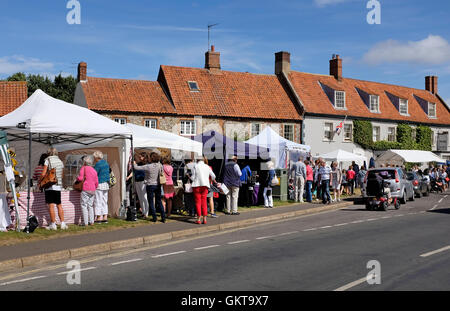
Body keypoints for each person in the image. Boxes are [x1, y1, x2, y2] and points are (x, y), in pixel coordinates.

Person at [133, 152, 166, 223]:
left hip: (150, 185)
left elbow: (137, 168)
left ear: (152, 158)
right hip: (158, 184)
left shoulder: (148, 166)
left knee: (151, 201)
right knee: (159, 201)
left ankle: (154, 217)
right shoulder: (160, 165)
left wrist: (134, 163)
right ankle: (163, 217)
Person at [41, 148, 67, 230]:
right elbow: (62, 176)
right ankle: (62, 223)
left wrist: (40, 180)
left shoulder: (47, 160)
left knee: (51, 205)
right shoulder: (60, 161)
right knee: (59, 205)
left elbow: (43, 173)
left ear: (49, 153)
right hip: (58, 186)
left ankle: (53, 224)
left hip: (50, 186)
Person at [191, 156, 216, 224]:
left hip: (196, 185)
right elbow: (213, 176)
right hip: (205, 186)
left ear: (197, 160)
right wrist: (209, 180)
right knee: (204, 201)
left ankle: (199, 218)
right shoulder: (207, 167)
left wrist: (191, 178)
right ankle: (204, 219)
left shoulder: (195, 166)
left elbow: (193, 177)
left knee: (198, 202)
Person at [76, 155, 98, 226]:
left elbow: (80, 178)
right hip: (93, 189)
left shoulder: (84, 168)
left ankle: (85, 222)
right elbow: (96, 182)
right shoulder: (94, 170)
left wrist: (77, 178)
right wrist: (95, 187)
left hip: (86, 188)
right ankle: (92, 222)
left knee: (84, 205)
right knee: (90, 206)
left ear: (85, 162)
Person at [93, 151, 110, 224]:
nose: (94, 159)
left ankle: (99, 217)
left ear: (97, 157)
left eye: (94, 157)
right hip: (106, 184)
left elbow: (94, 173)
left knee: (98, 201)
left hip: (99, 184)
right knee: (104, 201)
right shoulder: (106, 163)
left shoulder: (98, 164)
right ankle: (105, 216)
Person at [134, 152, 149, 219]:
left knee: (144, 197)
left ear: (144, 157)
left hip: (143, 181)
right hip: (137, 181)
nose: (140, 158)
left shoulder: (147, 165)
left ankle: (146, 213)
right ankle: (143, 212)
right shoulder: (139, 164)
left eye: (141, 157)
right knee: (140, 198)